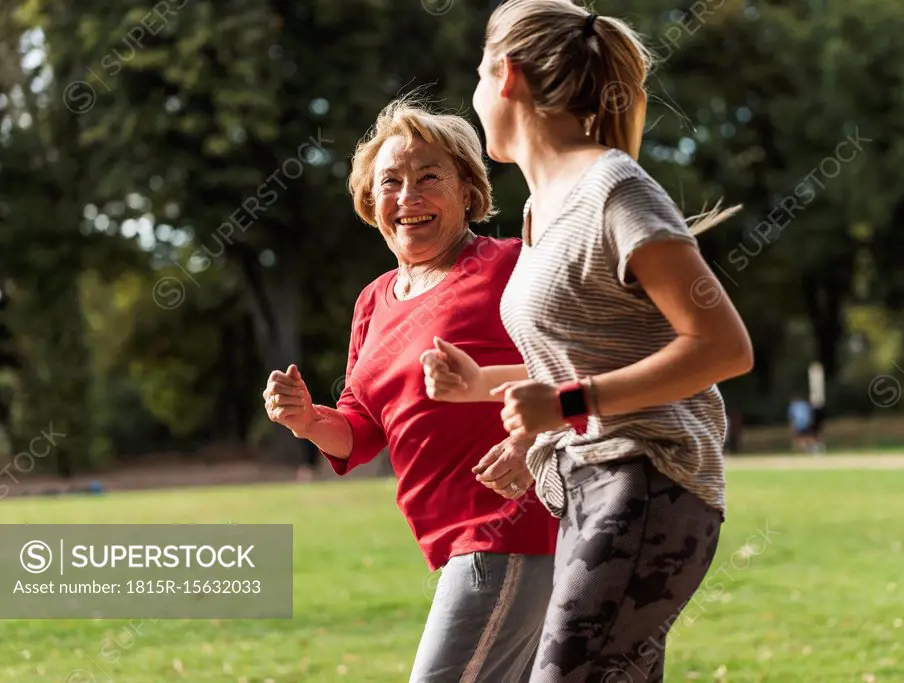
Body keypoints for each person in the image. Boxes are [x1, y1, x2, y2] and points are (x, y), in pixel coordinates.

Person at [421, 2, 754, 680]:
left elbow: (722, 346)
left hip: (648, 482)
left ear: (505, 75)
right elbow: (591, 350)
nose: (476, 97)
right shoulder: (542, 207)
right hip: (588, 485)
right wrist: (493, 395)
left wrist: (570, 404)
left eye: (478, 76)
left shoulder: (614, 189)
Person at [262, 98, 559, 683]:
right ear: (372, 204)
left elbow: (583, 363)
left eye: (429, 178)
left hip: (515, 529)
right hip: (453, 544)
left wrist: (532, 438)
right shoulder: (373, 302)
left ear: (469, 192)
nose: (408, 196)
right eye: (390, 182)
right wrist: (306, 420)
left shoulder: (510, 266)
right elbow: (361, 426)